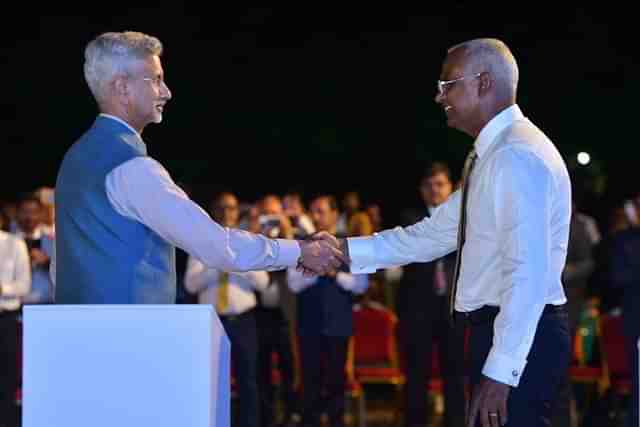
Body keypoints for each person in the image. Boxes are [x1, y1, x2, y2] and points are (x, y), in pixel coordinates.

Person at [314, 38, 572, 427]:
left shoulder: (515, 155)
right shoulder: (493, 154)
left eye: (448, 84)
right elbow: (431, 235)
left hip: (518, 338)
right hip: (504, 334)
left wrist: (501, 372)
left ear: (484, 82)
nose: (439, 97)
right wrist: (344, 250)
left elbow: (528, 274)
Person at [53, 31, 343, 304]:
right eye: (155, 80)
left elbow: (61, 267)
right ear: (122, 87)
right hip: (131, 337)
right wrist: (300, 250)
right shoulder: (133, 168)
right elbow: (217, 245)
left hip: (78, 335)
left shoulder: (73, 161)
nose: (166, 92)